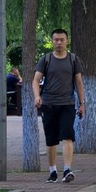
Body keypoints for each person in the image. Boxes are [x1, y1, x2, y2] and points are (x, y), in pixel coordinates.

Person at [33, 29, 87, 183]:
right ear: (52, 41)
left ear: (67, 41)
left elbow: (79, 82)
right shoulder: (46, 59)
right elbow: (35, 80)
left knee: (68, 136)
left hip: (67, 105)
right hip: (48, 104)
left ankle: (67, 170)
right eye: (56, 40)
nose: (59, 42)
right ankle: (52, 171)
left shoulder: (73, 60)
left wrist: (82, 104)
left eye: (62, 40)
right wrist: (37, 96)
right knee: (51, 140)